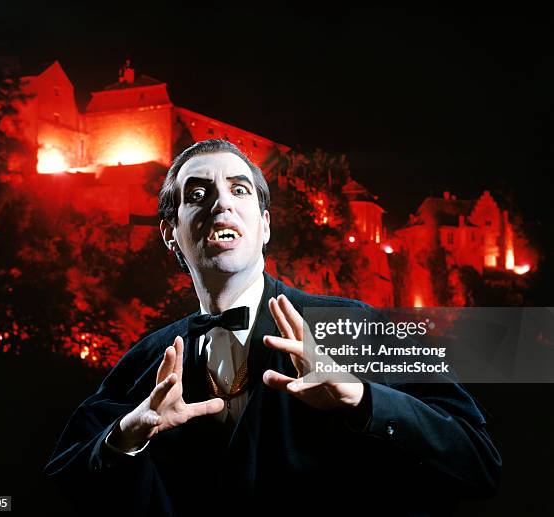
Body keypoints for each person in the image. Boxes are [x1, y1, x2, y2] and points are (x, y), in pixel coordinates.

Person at [44, 139, 501, 516]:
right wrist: (126, 435)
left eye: (239, 190)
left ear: (264, 226)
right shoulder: (149, 359)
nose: (221, 201)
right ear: (170, 232)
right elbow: (61, 483)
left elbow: (478, 462)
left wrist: (363, 399)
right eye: (198, 194)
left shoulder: (354, 324)